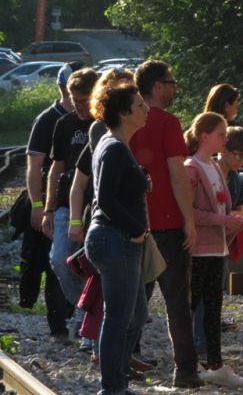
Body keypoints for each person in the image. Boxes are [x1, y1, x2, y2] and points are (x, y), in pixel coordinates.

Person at [128, 59, 203, 388]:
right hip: (169, 225)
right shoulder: (168, 123)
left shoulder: (124, 121)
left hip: (133, 227)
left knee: (132, 301)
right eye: (171, 83)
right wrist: (189, 220)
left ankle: (122, 361)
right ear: (158, 86)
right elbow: (177, 175)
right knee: (177, 302)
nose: (174, 88)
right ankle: (185, 371)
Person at [85, 78, 150, 395]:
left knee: (137, 315)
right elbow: (105, 200)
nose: (146, 108)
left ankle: (118, 381)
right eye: (140, 105)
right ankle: (112, 387)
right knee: (119, 316)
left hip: (120, 240)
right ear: (124, 113)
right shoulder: (113, 147)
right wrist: (137, 229)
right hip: (115, 240)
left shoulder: (117, 146)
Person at [183, 112, 243, 388]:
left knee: (213, 308)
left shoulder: (214, 167)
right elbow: (189, 212)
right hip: (198, 250)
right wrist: (225, 220)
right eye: (222, 134)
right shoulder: (192, 167)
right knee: (190, 306)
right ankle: (187, 365)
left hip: (217, 249)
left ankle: (215, 364)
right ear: (205, 137)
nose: (225, 139)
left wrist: (233, 220)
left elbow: (219, 206)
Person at [21, 61, 84, 343]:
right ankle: (59, 326)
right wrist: (38, 205)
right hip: (56, 202)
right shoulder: (48, 120)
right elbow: (36, 166)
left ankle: (84, 314)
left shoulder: (96, 117)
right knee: (55, 263)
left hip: (87, 202)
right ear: (62, 87)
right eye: (73, 90)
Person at [42, 67, 98, 351]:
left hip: (96, 206)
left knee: (94, 264)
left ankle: (89, 318)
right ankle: (84, 308)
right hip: (65, 204)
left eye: (85, 100)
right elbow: (56, 169)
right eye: (76, 100)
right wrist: (47, 209)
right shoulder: (63, 124)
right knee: (59, 260)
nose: (80, 106)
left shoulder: (103, 125)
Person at [193, 125, 243, 355]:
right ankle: (198, 344)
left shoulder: (237, 180)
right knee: (198, 297)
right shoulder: (204, 169)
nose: (241, 161)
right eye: (238, 155)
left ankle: (208, 344)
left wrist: (237, 218)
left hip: (222, 244)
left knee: (215, 297)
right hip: (200, 244)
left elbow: (238, 205)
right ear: (223, 149)